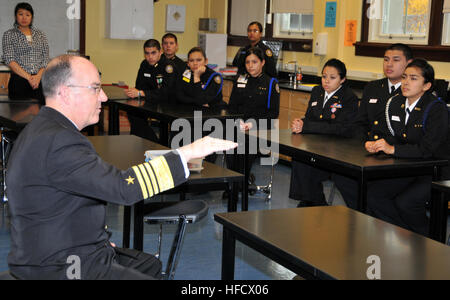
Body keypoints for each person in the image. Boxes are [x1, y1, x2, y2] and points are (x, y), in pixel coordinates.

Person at [6, 54, 238, 280]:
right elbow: (122, 188)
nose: (104, 97)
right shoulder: (60, 141)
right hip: (60, 265)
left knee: (149, 265)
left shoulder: (43, 128)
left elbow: (61, 201)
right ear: (66, 93)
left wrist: (96, 240)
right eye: (96, 88)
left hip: (53, 249)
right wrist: (185, 154)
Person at [365, 59, 449, 235]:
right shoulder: (395, 103)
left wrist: (392, 149)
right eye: (404, 77)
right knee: (373, 194)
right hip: (408, 164)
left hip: (436, 169)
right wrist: (377, 142)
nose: (405, 82)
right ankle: (401, 235)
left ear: (426, 86)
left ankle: (428, 238)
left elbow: (428, 149)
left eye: (413, 78)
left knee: (407, 203)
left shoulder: (436, 109)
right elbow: (393, 135)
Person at [332, 44, 414, 210]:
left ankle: (377, 221)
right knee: (341, 175)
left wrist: (386, 147)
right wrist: (361, 145)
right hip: (369, 150)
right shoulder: (373, 87)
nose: (389, 64)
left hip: (395, 153)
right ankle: (364, 216)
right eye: (386, 60)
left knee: (375, 191)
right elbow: (361, 123)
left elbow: (408, 134)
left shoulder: (412, 92)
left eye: (396, 60)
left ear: (409, 63)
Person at [289, 59, 358, 207]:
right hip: (314, 144)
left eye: (332, 78)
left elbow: (340, 128)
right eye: (324, 76)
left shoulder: (348, 97)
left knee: (309, 165)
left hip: (336, 148)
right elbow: (309, 117)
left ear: (342, 79)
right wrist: (300, 123)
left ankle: (311, 201)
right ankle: (313, 201)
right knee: (299, 158)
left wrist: (307, 126)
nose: (326, 81)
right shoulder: (317, 91)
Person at [227, 47, 280, 182]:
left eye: (254, 62)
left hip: (259, 126)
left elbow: (273, 113)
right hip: (238, 124)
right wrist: (238, 120)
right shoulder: (240, 79)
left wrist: (252, 123)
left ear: (262, 62)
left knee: (245, 144)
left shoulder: (270, 83)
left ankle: (241, 180)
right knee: (230, 143)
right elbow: (232, 106)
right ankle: (234, 180)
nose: (250, 66)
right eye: (247, 62)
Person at [125, 39, 177, 141]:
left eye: (153, 53)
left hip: (168, 103)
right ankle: (141, 141)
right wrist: (134, 92)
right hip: (149, 100)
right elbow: (139, 85)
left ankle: (154, 142)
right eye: (147, 53)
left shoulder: (168, 67)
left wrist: (142, 93)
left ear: (160, 52)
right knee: (132, 111)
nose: (150, 57)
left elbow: (165, 92)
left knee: (139, 117)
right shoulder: (144, 64)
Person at [1, 2, 49, 103]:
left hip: (39, 81)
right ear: (15, 16)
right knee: (18, 115)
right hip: (19, 81)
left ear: (32, 17)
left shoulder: (41, 35)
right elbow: (10, 60)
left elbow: (45, 59)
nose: (24, 18)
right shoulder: (9, 34)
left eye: (27, 15)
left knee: (41, 115)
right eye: (20, 14)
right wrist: (30, 78)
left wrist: (37, 77)